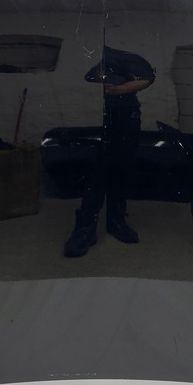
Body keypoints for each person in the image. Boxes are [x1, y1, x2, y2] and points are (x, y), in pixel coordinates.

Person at [63, 46, 156, 257]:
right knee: (98, 170)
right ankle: (85, 226)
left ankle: (116, 220)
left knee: (122, 168)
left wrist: (123, 88)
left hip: (127, 116)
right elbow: (90, 76)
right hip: (104, 117)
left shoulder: (129, 56)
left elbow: (150, 77)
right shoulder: (98, 51)